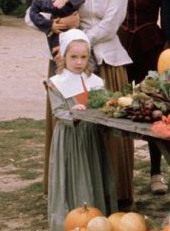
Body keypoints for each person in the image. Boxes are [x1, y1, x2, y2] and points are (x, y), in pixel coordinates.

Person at [67, 0, 137, 210]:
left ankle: (118, 192)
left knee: (113, 128)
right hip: (75, 62)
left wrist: (81, 39)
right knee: (80, 127)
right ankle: (82, 191)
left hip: (107, 59)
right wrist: (55, 26)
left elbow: (111, 24)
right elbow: (42, 10)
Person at [103, 0, 170, 196]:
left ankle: (156, 172)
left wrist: (168, 45)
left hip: (148, 45)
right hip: (114, 44)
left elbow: (168, 11)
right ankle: (115, 174)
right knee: (113, 107)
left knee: (153, 107)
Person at [46, 29, 117, 230]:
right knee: (75, 176)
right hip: (70, 138)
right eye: (73, 57)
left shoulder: (96, 82)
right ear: (63, 57)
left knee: (93, 172)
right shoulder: (57, 83)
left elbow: (105, 104)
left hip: (91, 137)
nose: (78, 62)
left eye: (83, 57)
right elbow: (58, 111)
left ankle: (97, 217)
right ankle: (73, 218)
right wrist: (74, 114)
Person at [28, 0, 84, 196]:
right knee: (57, 57)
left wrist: (66, 0)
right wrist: (49, 25)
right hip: (55, 34)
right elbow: (33, 14)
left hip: (74, 38)